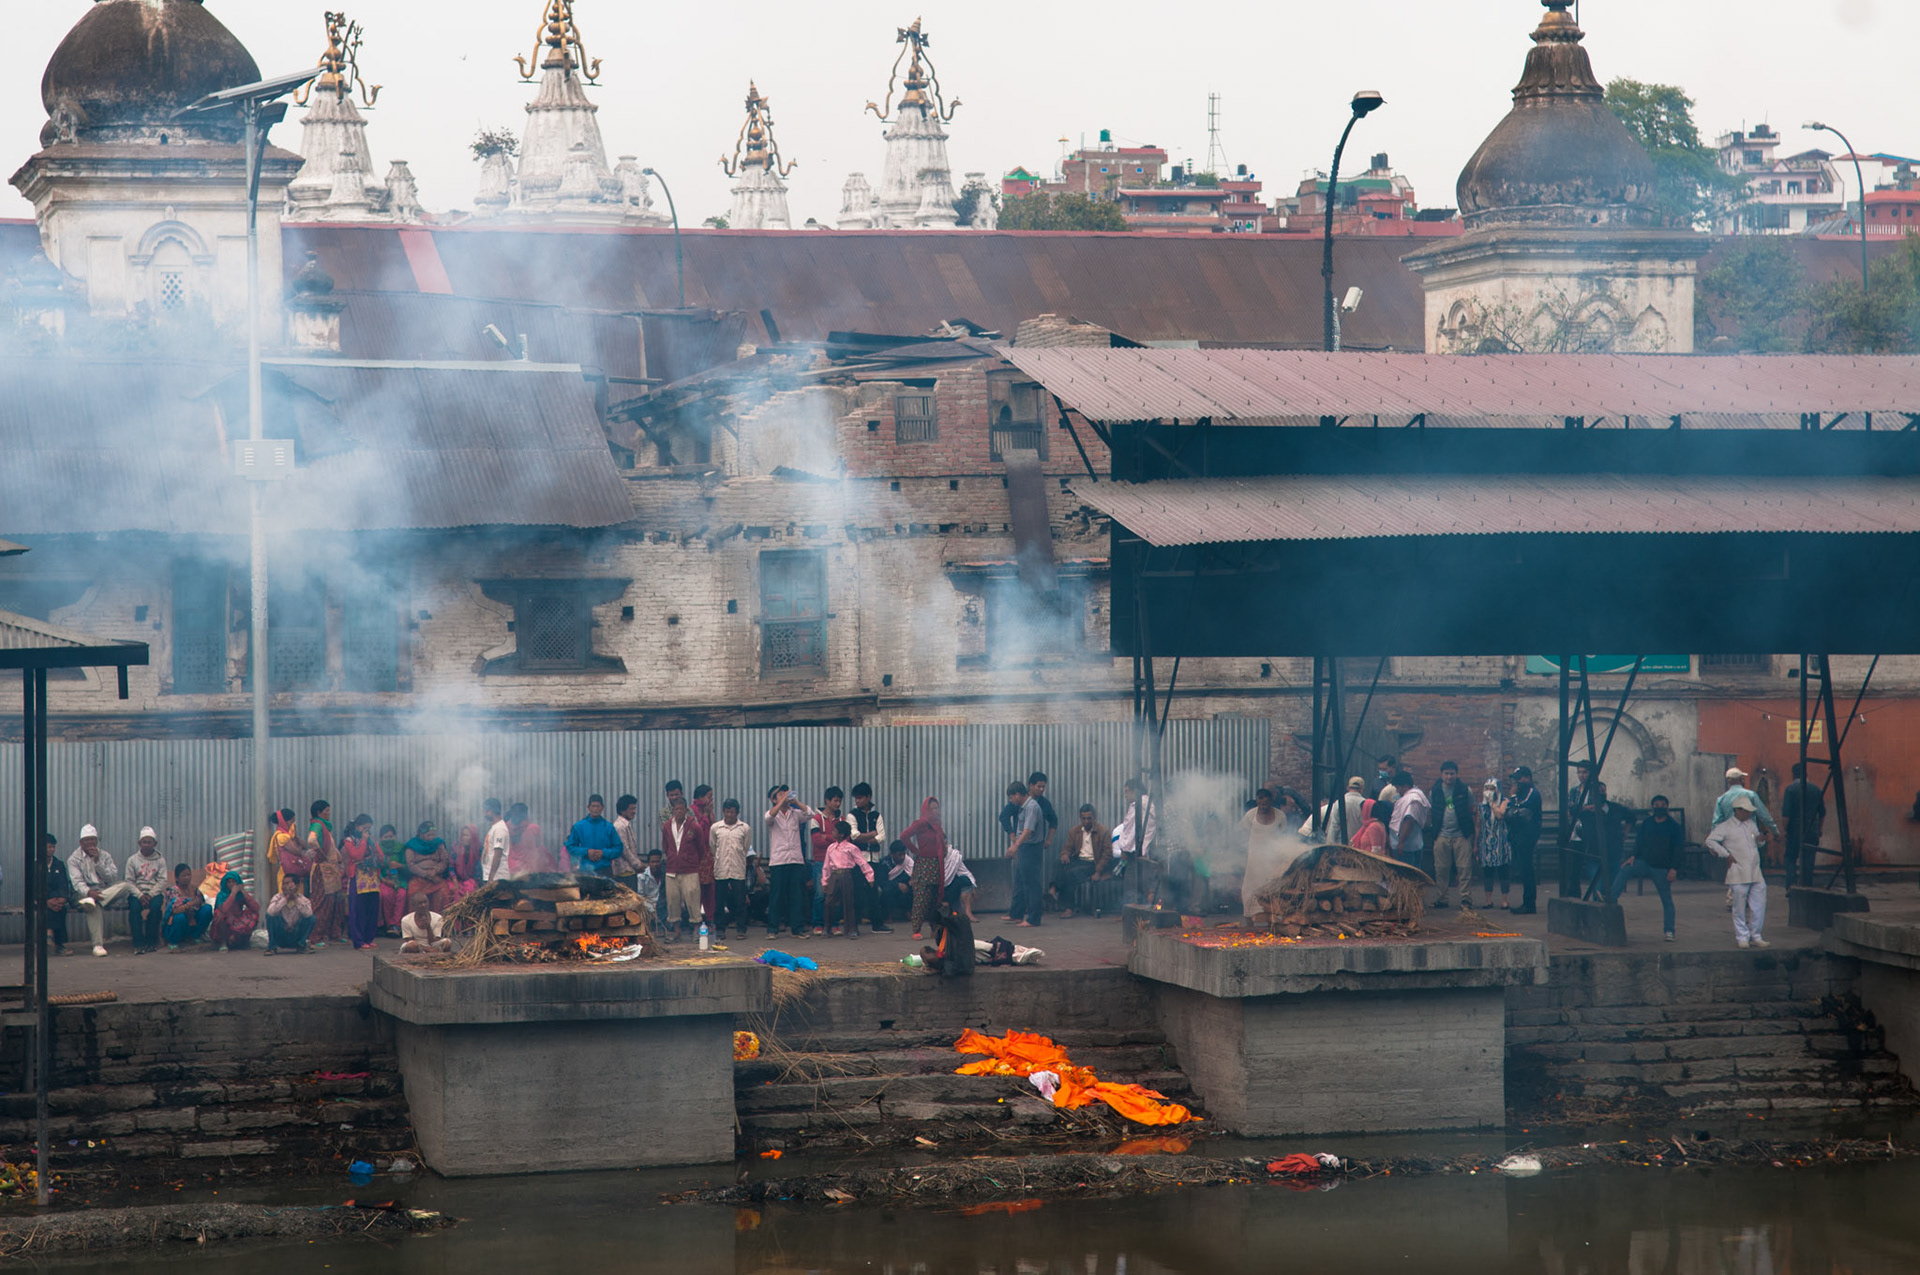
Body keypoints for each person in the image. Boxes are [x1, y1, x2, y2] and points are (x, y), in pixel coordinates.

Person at [1614, 794, 1683, 941]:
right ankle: (1611, 897)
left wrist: (1674, 869)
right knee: (1625, 869)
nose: (1659, 808)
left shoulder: (1673, 826)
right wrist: (1633, 856)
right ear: (1652, 808)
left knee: (1667, 900)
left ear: (1667, 807)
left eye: (1662, 805)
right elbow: (1639, 842)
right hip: (1644, 862)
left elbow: (1678, 849)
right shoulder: (1647, 823)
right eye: (1656, 805)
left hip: (1662, 867)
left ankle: (1669, 931)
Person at [1705, 794, 1768, 949]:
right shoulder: (1725, 826)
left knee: (1759, 905)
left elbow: (1757, 845)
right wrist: (1725, 854)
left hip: (1755, 870)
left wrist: (1761, 839)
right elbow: (1710, 841)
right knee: (1739, 907)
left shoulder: (1751, 825)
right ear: (1737, 810)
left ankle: (1756, 935)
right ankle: (1742, 937)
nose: (1748, 814)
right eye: (1746, 811)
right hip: (1738, 871)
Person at [763, 785, 821, 940]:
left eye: (785, 793)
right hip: (778, 861)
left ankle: (797, 928)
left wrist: (795, 801)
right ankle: (773, 929)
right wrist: (780, 803)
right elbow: (768, 817)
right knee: (776, 896)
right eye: (779, 794)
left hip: (795, 859)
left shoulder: (795, 814)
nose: (784, 796)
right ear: (773, 799)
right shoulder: (772, 815)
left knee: (797, 895)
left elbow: (810, 814)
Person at [68, 824, 134, 958]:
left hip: (104, 892)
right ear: (81, 842)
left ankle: (97, 900)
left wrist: (98, 861)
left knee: (125, 885)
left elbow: (111, 878)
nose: (90, 843)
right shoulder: (73, 859)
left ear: (96, 841)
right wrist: (88, 892)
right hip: (84, 894)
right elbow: (77, 883)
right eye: (87, 840)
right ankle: (98, 945)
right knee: (92, 905)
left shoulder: (104, 856)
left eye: (93, 839)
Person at [1239, 789, 1300, 918]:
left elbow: (1283, 836)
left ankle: (1270, 919)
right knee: (1250, 888)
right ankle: (1249, 920)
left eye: (1265, 803)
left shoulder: (1280, 816)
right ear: (1257, 800)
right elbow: (1243, 834)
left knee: (1271, 888)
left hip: (1272, 859)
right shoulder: (1250, 815)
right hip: (1254, 859)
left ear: (1271, 801)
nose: (1262, 805)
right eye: (1260, 801)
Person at [1426, 762, 1478, 910]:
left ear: (1457, 774)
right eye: (1446, 774)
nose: (1449, 777)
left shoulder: (1464, 790)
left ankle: (1465, 900)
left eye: (1452, 773)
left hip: (1462, 834)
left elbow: (1472, 810)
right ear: (1441, 775)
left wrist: (1472, 834)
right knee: (1441, 869)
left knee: (1464, 869)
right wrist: (1434, 831)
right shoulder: (1435, 791)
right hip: (1441, 834)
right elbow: (1431, 812)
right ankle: (1442, 898)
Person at [661, 791, 708, 938]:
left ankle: (696, 928)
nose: (679, 811)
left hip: (690, 870)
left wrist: (690, 861)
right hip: (671, 870)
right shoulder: (667, 826)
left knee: (692, 898)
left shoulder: (694, 827)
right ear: (673, 810)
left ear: (686, 810)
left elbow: (701, 849)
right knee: (672, 900)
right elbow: (665, 846)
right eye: (676, 809)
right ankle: (676, 930)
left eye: (682, 809)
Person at [847, 782, 892, 934]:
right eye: (856, 798)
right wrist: (871, 834)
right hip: (858, 860)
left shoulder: (876, 815)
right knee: (857, 893)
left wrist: (865, 837)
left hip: (874, 860)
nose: (857, 801)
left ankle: (877, 924)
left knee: (874, 893)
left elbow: (882, 837)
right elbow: (854, 836)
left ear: (868, 797)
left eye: (860, 798)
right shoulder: (852, 815)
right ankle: (854, 926)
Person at [901, 797, 948, 940]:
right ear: (926, 810)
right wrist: (915, 850)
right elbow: (904, 836)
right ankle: (916, 929)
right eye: (932, 808)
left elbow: (942, 842)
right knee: (921, 898)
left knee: (935, 898)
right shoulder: (921, 823)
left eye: (936, 808)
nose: (935, 811)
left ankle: (934, 928)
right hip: (924, 865)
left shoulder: (937, 825)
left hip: (936, 865)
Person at [1054, 804, 1113, 918]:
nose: (1086, 821)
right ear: (1080, 818)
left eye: (1089, 818)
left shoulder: (1103, 831)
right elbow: (1068, 847)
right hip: (1079, 860)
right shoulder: (1075, 831)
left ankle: (1068, 908)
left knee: (1071, 874)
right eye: (1083, 818)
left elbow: (1107, 854)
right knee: (1059, 863)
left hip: (1093, 863)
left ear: (1094, 818)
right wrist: (1065, 854)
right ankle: (1054, 888)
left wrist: (1098, 872)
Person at [821, 820, 876, 938]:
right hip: (834, 876)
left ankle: (851, 929)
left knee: (848, 903)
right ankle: (827, 927)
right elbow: (826, 866)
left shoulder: (851, 848)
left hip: (847, 875)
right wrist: (825, 881)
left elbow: (862, 862)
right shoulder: (831, 848)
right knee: (828, 902)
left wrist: (869, 876)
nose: (833, 832)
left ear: (841, 834)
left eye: (835, 831)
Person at [708, 798, 754, 939]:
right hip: (721, 868)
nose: (729, 815)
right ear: (723, 812)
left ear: (737, 813)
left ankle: (741, 929)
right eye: (727, 812)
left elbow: (745, 848)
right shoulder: (715, 828)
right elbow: (712, 847)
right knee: (719, 902)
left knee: (740, 901)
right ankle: (720, 929)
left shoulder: (744, 828)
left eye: (732, 812)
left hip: (738, 869)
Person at [1004, 780, 1046, 928]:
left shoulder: (1031, 807)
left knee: (1032, 884)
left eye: (1011, 797)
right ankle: (1016, 914)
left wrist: (1015, 846)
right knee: (1021, 881)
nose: (1010, 801)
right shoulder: (1024, 807)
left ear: (1017, 794)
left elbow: (1028, 831)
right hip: (1025, 848)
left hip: (1031, 848)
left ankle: (1033, 919)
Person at [1503, 766, 1543, 915]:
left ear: (1527, 777)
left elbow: (1518, 813)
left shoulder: (1532, 793)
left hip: (1528, 835)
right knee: (1522, 869)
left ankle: (1529, 903)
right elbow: (1508, 813)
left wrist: (1512, 798)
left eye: (1519, 778)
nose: (1516, 782)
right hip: (1518, 835)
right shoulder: (1522, 792)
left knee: (1527, 869)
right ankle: (1527, 901)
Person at [1780, 763, 1827, 889]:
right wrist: (1819, 829)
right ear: (1807, 774)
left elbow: (1786, 815)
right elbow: (1822, 812)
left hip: (1794, 829)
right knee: (1808, 860)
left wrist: (1784, 830)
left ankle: (1792, 885)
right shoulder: (1816, 789)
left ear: (1793, 774)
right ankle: (1807, 886)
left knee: (1790, 857)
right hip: (1812, 830)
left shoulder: (1790, 790)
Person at [808, 786, 847, 935]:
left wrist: (827, 837)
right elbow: (816, 841)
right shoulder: (816, 819)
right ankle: (818, 924)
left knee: (836, 894)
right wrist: (835, 838)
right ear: (827, 800)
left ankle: (834, 923)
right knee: (820, 893)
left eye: (840, 801)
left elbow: (846, 839)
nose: (838, 804)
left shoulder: (842, 820)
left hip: (838, 862)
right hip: (820, 861)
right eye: (835, 801)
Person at [307, 801, 346, 948]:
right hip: (323, 870)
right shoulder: (317, 824)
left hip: (331, 870)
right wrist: (320, 853)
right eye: (326, 811)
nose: (329, 813)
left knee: (335, 902)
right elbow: (311, 840)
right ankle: (315, 937)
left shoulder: (325, 827)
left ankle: (334, 934)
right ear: (319, 813)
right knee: (321, 902)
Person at [125, 827, 169, 954]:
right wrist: (139, 895)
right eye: (144, 842)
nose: (146, 845)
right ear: (139, 844)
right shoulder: (132, 860)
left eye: (149, 842)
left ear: (154, 844)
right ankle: (138, 944)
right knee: (134, 910)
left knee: (155, 909)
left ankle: (151, 942)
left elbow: (162, 881)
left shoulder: (160, 860)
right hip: (137, 893)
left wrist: (150, 895)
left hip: (154, 893)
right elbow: (129, 881)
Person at [1112, 779, 1157, 903]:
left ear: (1134, 791)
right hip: (1144, 851)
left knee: (1131, 887)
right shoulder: (1147, 804)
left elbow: (1130, 831)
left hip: (1135, 853)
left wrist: (1124, 850)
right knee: (1142, 885)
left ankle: (1133, 915)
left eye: (1127, 791)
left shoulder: (1139, 805)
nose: (1125, 795)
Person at [343, 814, 382, 950]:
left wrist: (373, 844)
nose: (367, 831)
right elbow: (357, 855)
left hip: (372, 878)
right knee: (358, 910)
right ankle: (359, 940)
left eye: (369, 828)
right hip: (358, 878)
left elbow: (380, 856)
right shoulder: (349, 841)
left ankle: (369, 938)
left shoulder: (371, 839)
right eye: (364, 828)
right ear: (357, 827)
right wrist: (365, 841)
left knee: (372, 909)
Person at [564, 795, 623, 878]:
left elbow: (618, 849)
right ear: (588, 807)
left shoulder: (609, 827)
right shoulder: (579, 826)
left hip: (605, 871)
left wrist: (603, 853)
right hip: (585, 872)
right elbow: (570, 847)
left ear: (602, 807)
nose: (595, 809)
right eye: (593, 806)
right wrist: (587, 852)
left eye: (598, 806)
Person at [1713, 767, 1781, 837]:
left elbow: (1716, 822)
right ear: (1741, 779)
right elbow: (1764, 815)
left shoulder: (1721, 799)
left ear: (1728, 781)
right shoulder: (1751, 795)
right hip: (1749, 836)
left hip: (1729, 837)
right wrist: (1775, 831)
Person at [1476, 778, 1512, 909]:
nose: (1489, 791)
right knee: (1487, 872)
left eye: (1492, 788)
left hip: (1501, 843)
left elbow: (1500, 815)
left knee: (1503, 871)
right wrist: (1476, 844)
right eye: (1487, 788)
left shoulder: (1504, 802)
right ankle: (1488, 900)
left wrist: (1492, 803)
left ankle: (1504, 900)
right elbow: (1478, 825)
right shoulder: (1481, 806)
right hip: (1486, 842)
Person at [405, 822, 454, 913]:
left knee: (444, 893)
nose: (431, 837)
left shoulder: (439, 844)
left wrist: (435, 870)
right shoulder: (412, 845)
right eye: (428, 835)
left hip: (436, 877)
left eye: (433, 835)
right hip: (419, 878)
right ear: (421, 834)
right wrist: (426, 874)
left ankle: (440, 920)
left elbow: (444, 860)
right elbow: (411, 865)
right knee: (413, 894)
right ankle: (417, 922)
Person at [206, 870, 259, 952]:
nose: (231, 884)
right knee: (220, 914)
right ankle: (223, 944)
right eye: (229, 882)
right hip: (225, 924)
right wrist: (233, 894)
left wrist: (243, 892)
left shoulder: (240, 895)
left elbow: (256, 908)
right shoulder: (221, 895)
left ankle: (243, 943)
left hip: (238, 921)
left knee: (253, 914)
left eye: (233, 882)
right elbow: (223, 909)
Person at [922, 899, 976, 979]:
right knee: (923, 950)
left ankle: (938, 969)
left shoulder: (958, 921)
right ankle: (936, 967)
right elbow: (939, 943)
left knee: (929, 957)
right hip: (947, 957)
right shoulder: (944, 926)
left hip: (957, 963)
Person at [163, 862, 211, 950]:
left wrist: (195, 904)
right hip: (177, 924)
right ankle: (174, 941)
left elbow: (201, 902)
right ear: (177, 878)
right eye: (183, 876)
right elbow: (175, 910)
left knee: (207, 909)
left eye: (188, 875)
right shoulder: (173, 891)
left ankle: (195, 936)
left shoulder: (193, 888)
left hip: (192, 920)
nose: (187, 878)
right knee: (179, 917)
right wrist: (191, 903)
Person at [1389, 771, 1430, 872]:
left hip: (1407, 848)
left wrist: (1401, 843)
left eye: (1398, 788)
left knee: (1407, 878)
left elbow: (1409, 821)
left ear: (1405, 785)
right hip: (1411, 845)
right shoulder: (1417, 795)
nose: (1398, 791)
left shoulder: (1412, 799)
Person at [265, 874, 316, 954]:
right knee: (270, 916)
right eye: (283, 883)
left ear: (296, 885)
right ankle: (272, 947)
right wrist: (286, 898)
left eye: (288, 883)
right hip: (281, 936)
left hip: (296, 936)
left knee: (312, 918)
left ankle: (301, 945)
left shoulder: (303, 899)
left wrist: (295, 898)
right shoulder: (277, 897)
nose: (285, 886)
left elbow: (309, 915)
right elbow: (270, 912)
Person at [506, 803, 557, 876]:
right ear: (526, 814)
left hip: (511, 868)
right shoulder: (533, 828)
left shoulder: (506, 828)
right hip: (529, 869)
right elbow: (538, 846)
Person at [376, 824, 410, 932]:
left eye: (391, 836)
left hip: (399, 879)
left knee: (402, 894)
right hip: (384, 879)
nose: (389, 839)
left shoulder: (401, 848)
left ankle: (395, 925)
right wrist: (385, 880)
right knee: (385, 895)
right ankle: (386, 925)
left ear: (395, 836)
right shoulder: (377, 850)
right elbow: (376, 869)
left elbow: (408, 866)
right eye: (386, 837)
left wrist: (399, 865)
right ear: (381, 838)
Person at [42, 834, 70, 957]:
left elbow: (64, 884)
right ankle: (49, 940)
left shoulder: (59, 864)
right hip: (42, 899)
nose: (51, 850)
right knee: (47, 909)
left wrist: (62, 899)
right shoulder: (36, 865)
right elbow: (34, 887)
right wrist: (46, 900)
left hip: (57, 899)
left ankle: (58, 943)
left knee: (60, 909)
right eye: (49, 847)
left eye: (53, 847)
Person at [269, 809, 309, 894]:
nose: (293, 824)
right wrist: (297, 843)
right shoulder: (281, 837)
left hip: (295, 871)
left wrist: (295, 836)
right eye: (292, 822)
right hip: (286, 872)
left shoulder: (289, 836)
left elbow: (305, 846)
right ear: (285, 822)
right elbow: (297, 851)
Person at [611, 795, 644, 890]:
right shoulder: (619, 826)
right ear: (623, 810)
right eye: (631, 809)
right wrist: (637, 865)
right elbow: (624, 849)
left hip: (630, 871)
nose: (634, 811)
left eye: (634, 808)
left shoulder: (626, 825)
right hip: (623, 872)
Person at [942, 841, 978, 920]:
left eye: (944, 843)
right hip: (937, 891)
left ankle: (968, 913)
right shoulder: (930, 858)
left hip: (950, 888)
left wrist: (973, 885)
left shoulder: (954, 856)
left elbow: (965, 872)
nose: (943, 846)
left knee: (965, 880)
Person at [880, 841, 916, 920]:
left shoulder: (908, 862)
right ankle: (887, 915)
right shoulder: (885, 863)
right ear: (892, 854)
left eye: (903, 854)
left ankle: (908, 912)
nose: (902, 857)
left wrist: (911, 882)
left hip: (905, 888)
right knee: (887, 891)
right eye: (899, 855)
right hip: (892, 888)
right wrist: (897, 885)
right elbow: (882, 882)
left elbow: (913, 875)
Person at [481, 802, 513, 883]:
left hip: (498, 877)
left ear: (491, 811)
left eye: (485, 811)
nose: (484, 814)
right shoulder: (494, 828)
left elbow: (498, 853)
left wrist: (491, 878)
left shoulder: (500, 829)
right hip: (491, 877)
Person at [636, 849, 667, 917]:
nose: (655, 864)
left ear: (661, 862)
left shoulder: (666, 876)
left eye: (657, 861)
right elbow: (641, 897)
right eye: (652, 862)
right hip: (648, 909)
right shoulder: (642, 877)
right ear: (648, 863)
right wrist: (652, 910)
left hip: (664, 908)